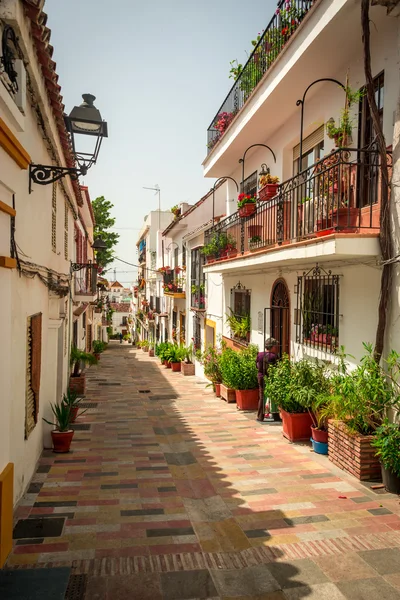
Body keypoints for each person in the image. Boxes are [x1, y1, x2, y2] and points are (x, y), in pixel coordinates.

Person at [256, 337, 279, 422]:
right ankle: (276, 416)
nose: (276, 349)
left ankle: (260, 417)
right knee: (274, 396)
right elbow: (277, 368)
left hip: (261, 377)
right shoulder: (274, 356)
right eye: (276, 347)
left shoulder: (259, 354)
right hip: (271, 378)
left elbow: (257, 365)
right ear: (272, 347)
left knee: (262, 397)